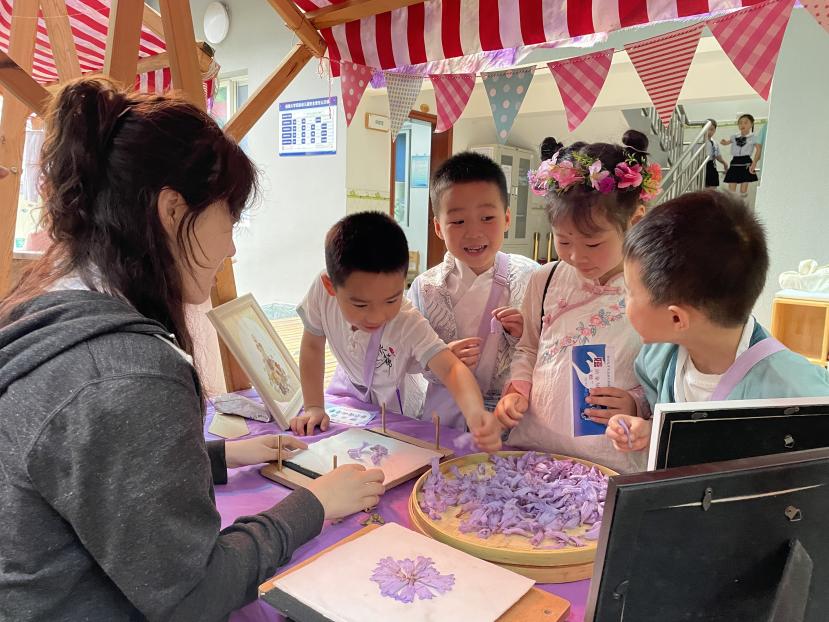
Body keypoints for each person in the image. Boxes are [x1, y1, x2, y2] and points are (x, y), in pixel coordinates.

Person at [0, 78, 386, 621]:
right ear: (173, 211)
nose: (231, 247)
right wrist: (315, 505)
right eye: (230, 219)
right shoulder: (126, 372)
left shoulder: (43, 309)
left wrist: (219, 456)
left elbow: (93, 475)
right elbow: (194, 595)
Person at [606, 191, 829, 453]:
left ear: (677, 318)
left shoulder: (798, 394)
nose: (625, 300)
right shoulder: (657, 358)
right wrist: (650, 429)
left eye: (630, 291)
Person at [494, 133, 662, 473]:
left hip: (609, 458)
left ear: (635, 221)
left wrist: (636, 404)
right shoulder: (545, 279)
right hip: (536, 449)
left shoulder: (656, 290)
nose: (575, 256)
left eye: (593, 243)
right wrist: (516, 391)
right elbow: (528, 348)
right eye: (564, 240)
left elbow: (667, 376)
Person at [289, 211, 501, 450]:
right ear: (331, 286)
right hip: (348, 394)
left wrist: (475, 413)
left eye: (391, 300)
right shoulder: (320, 291)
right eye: (361, 305)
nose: (377, 316)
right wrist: (314, 406)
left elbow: (451, 368)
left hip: (390, 409)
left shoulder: (406, 321)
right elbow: (312, 346)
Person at [407, 152, 538, 429]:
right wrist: (438, 358)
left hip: (507, 416)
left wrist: (523, 334)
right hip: (444, 418)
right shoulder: (426, 287)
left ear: (507, 218)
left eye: (487, 217)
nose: (474, 233)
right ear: (438, 227)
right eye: (458, 222)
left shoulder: (530, 277)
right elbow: (407, 355)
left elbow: (548, 348)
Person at [721, 113, 762, 198]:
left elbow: (759, 150)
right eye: (740, 123)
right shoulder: (734, 136)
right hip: (735, 162)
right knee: (731, 190)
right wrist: (724, 142)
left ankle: (741, 204)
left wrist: (754, 163)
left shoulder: (754, 137)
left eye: (746, 122)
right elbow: (727, 142)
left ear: (751, 124)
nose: (742, 125)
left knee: (743, 190)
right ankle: (732, 204)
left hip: (746, 162)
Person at [703, 119, 728, 188]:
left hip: (712, 166)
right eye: (707, 129)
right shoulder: (700, 142)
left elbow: (717, 155)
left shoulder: (714, 142)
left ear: (714, 130)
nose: (709, 131)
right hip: (703, 165)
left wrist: (724, 163)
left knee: (713, 188)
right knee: (704, 188)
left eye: (712, 129)